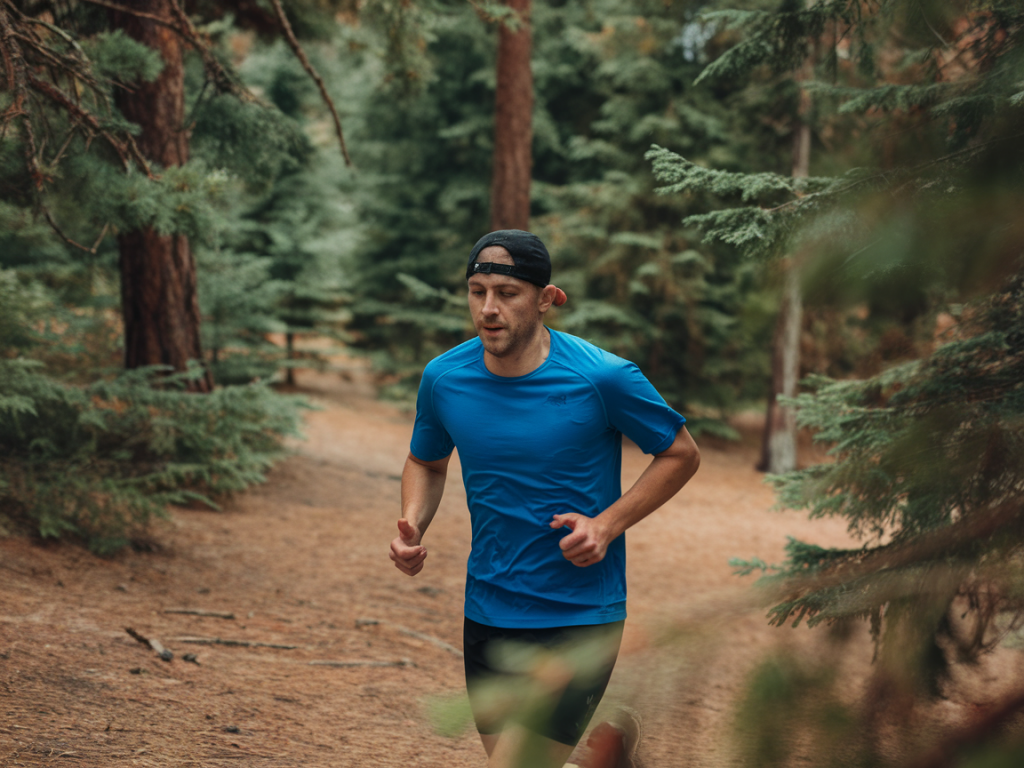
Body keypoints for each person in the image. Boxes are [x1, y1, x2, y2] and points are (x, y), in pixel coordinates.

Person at [389, 230, 700, 768]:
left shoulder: (603, 377)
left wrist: (606, 524)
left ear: (546, 298)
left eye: (507, 293)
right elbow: (426, 461)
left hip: (579, 612)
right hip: (488, 605)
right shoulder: (444, 378)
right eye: (477, 290)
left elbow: (680, 452)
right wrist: (413, 523)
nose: (488, 308)